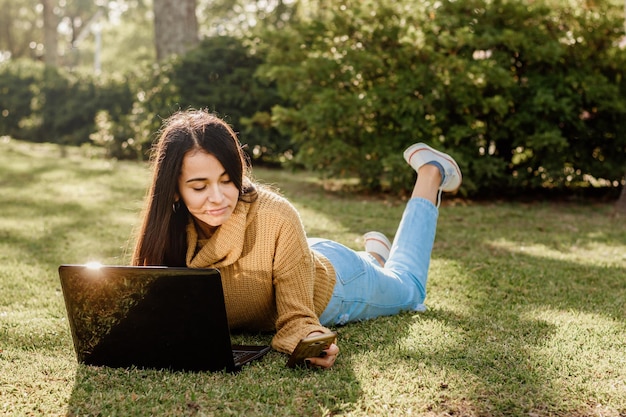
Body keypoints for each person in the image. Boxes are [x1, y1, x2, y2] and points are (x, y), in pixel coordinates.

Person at [131, 109, 462, 369]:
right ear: (174, 188)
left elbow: (296, 316)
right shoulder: (171, 230)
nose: (217, 197)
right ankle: (373, 259)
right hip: (298, 256)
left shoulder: (275, 214)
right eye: (200, 187)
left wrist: (312, 339)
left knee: (409, 289)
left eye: (227, 180)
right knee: (368, 269)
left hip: (336, 286)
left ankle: (430, 172)